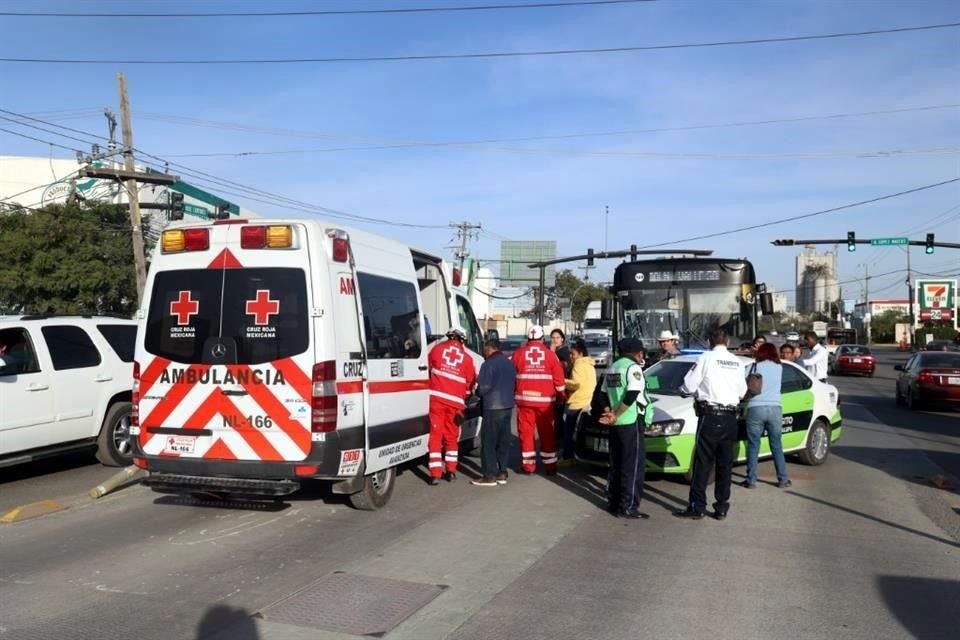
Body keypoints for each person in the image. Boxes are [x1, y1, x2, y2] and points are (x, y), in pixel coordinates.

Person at [676, 328, 747, 521]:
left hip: (710, 417)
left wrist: (683, 390)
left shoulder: (705, 358)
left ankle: (697, 507)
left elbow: (689, 385)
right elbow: (742, 392)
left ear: (709, 341)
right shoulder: (737, 362)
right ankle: (722, 507)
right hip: (730, 418)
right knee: (725, 465)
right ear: (728, 340)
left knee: (703, 464)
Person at [599, 339, 653, 519]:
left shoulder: (613, 367)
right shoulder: (633, 368)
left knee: (616, 464)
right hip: (630, 421)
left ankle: (613, 503)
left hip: (615, 424)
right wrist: (617, 413)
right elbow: (632, 393)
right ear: (638, 353)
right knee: (633, 466)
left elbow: (602, 395)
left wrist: (609, 413)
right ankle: (628, 506)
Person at [513, 325, 566, 474]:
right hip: (545, 403)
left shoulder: (518, 354)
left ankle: (528, 466)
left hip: (524, 402)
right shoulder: (550, 355)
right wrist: (561, 397)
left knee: (526, 433)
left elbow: (511, 376)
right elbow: (559, 380)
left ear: (528, 338)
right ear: (542, 339)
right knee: (547, 433)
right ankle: (550, 466)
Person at [427, 327, 477, 485]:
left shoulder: (436, 350)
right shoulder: (468, 359)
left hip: (436, 400)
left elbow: (427, 369)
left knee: (435, 436)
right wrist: (464, 397)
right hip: (455, 404)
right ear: (462, 339)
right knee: (451, 437)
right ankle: (451, 471)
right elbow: (470, 384)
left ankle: (435, 474)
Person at [743, 343, 791, 489]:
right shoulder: (779, 367)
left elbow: (744, 385)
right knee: (776, 445)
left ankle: (751, 480)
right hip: (775, 408)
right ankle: (783, 479)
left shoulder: (752, 367)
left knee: (753, 444)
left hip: (755, 407)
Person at [472, 338, 516, 487]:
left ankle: (489, 475)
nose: (484, 352)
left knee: (488, 443)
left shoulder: (488, 364)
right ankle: (502, 472)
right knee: (503, 442)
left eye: (485, 349)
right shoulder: (509, 364)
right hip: (507, 406)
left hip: (492, 406)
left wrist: (476, 392)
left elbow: (484, 387)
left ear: (490, 349)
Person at [560, 338, 597, 468]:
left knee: (568, 433)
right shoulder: (590, 365)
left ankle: (567, 457)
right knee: (579, 432)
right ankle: (575, 455)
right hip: (588, 401)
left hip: (577, 403)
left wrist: (562, 381)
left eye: (573, 354)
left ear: (580, 354)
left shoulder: (579, 365)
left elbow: (576, 384)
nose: (570, 356)